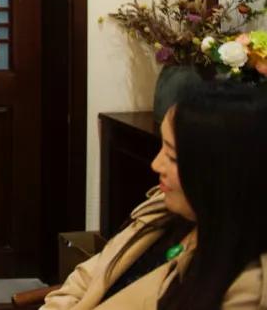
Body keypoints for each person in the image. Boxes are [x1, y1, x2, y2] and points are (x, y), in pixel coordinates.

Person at [42, 82, 267, 309]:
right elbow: (86, 278)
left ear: (220, 174)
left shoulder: (247, 286)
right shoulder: (161, 209)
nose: (156, 164)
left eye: (172, 156)